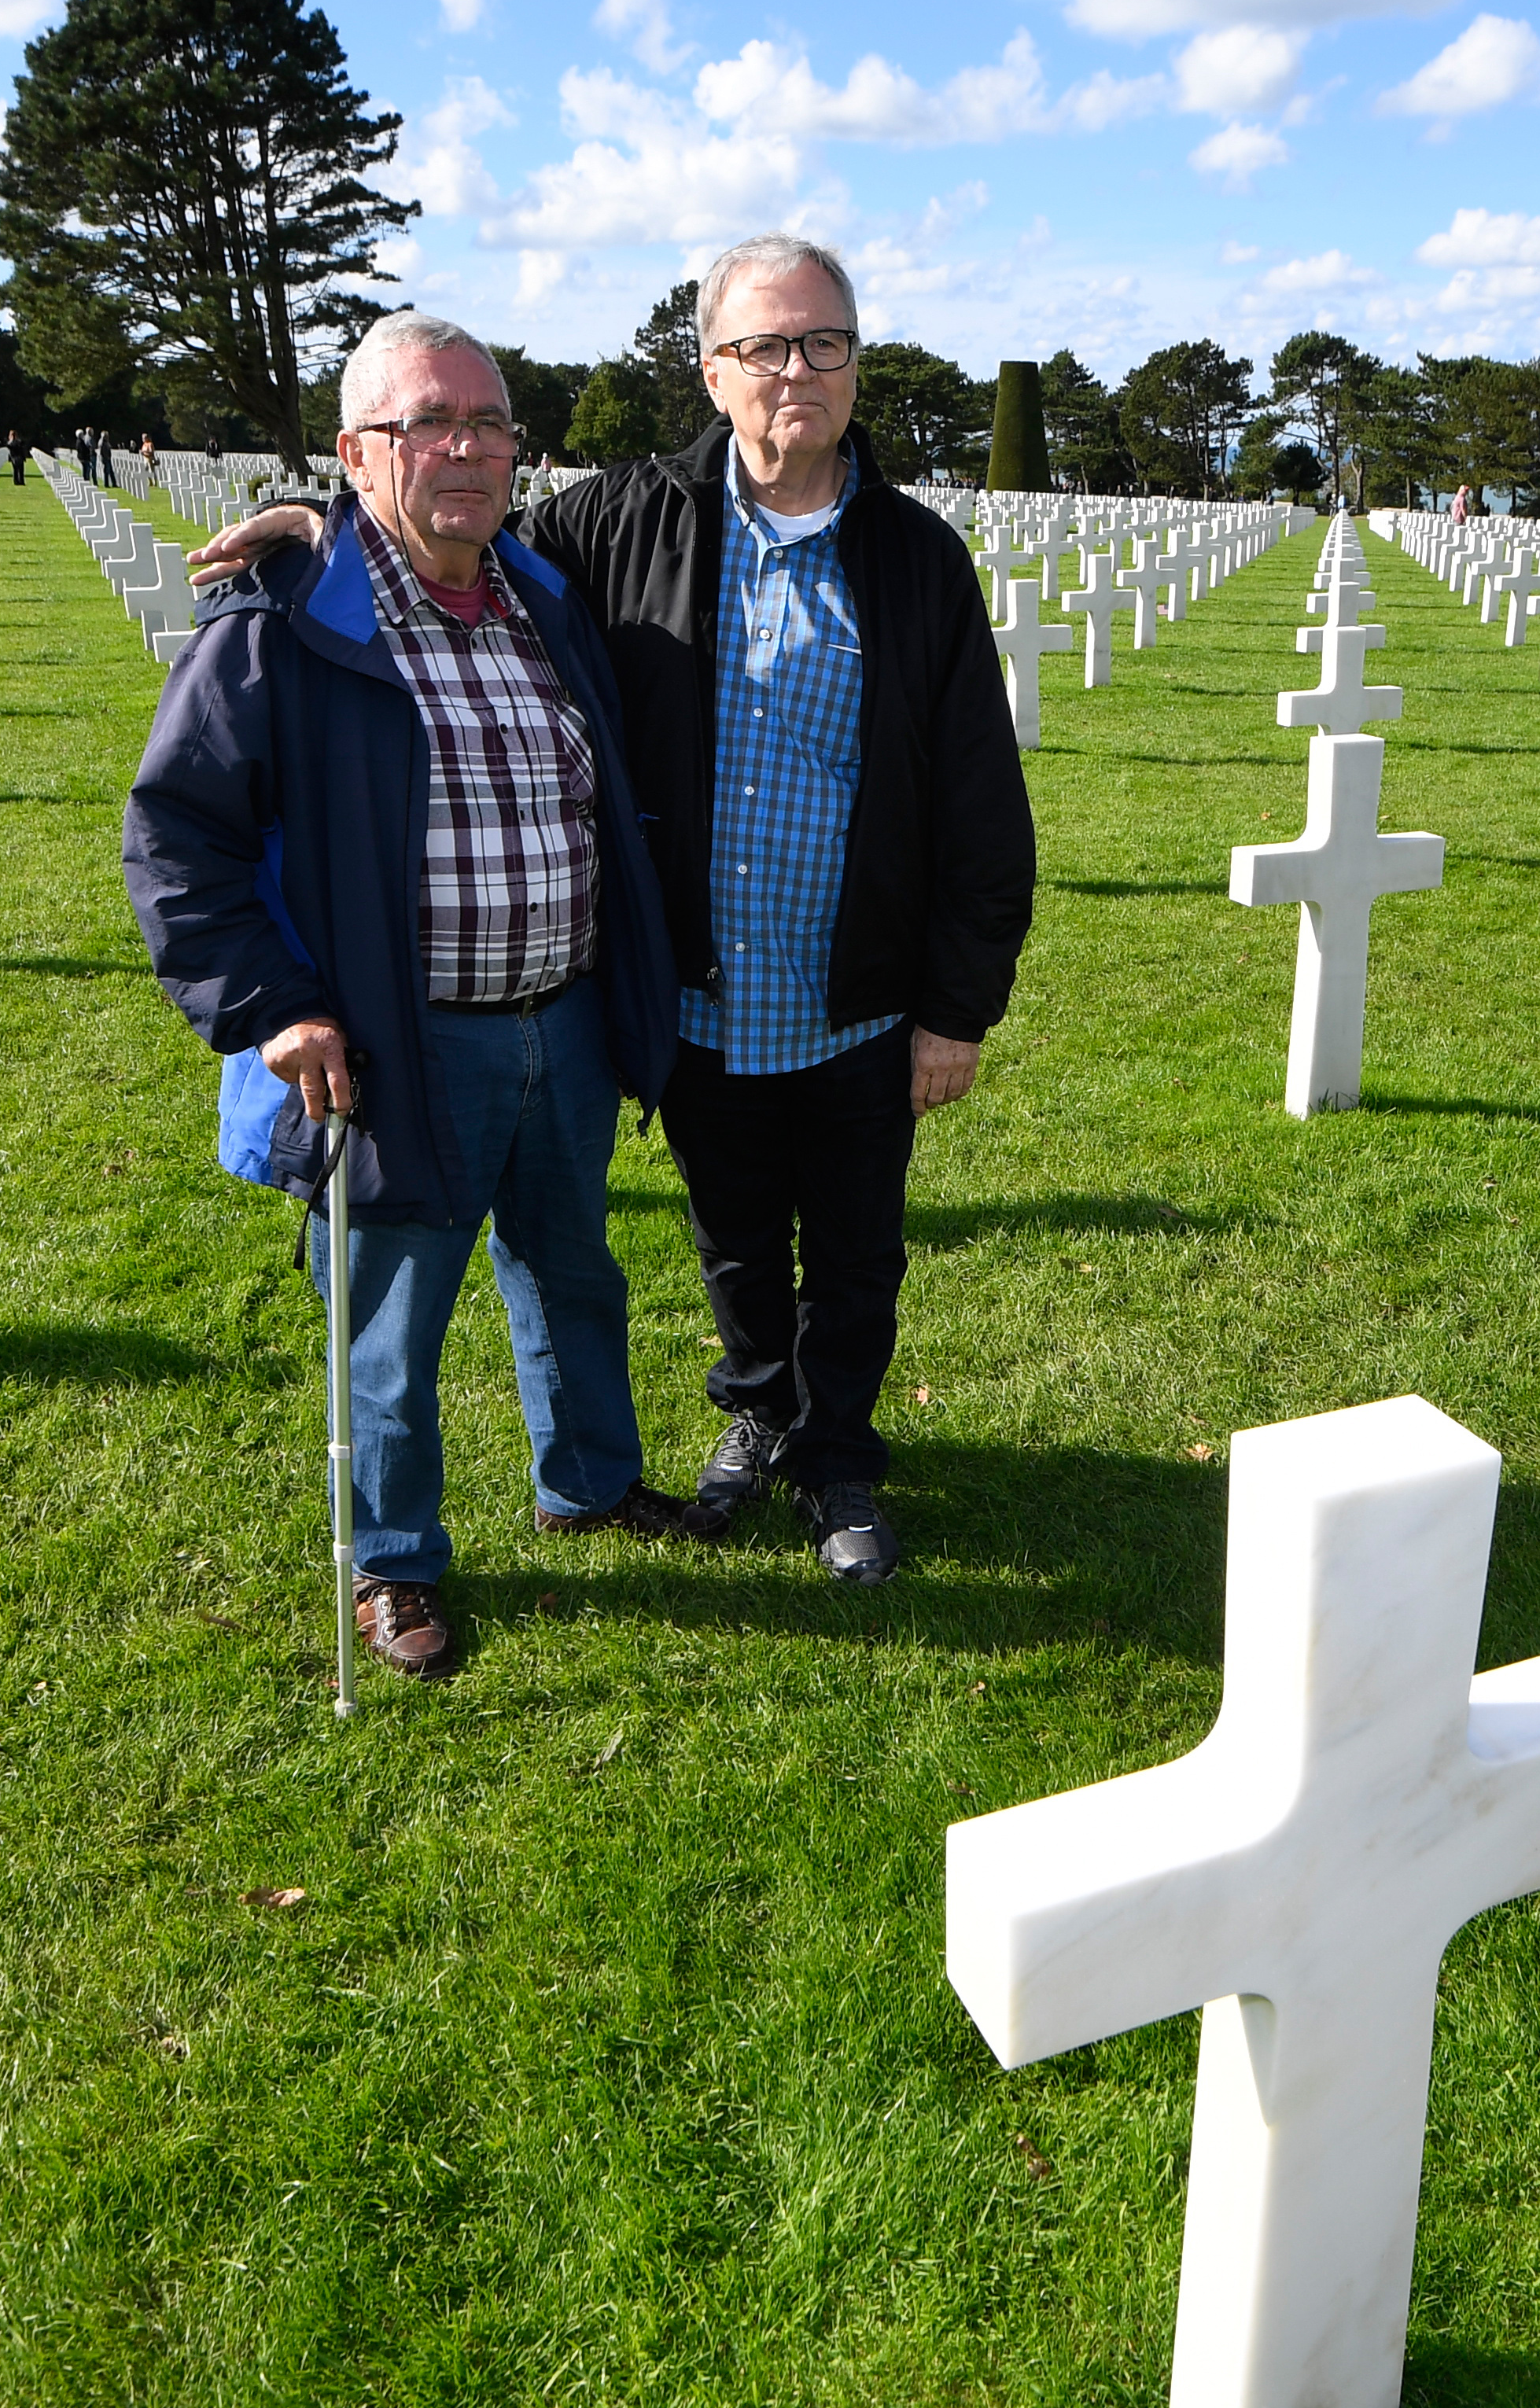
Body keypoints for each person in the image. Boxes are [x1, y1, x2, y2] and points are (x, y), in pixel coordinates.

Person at [191, 234, 1036, 1585]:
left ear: (857, 363)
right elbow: (431, 532)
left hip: (849, 991)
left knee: (845, 1244)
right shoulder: (620, 518)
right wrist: (316, 525)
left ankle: (837, 1461)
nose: (796, 371)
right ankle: (752, 1421)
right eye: (765, 346)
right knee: (732, 1236)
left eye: (825, 342)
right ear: (713, 372)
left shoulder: (918, 558)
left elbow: (983, 802)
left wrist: (956, 1004)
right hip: (688, 987)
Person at [124, 310, 720, 1682]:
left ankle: (590, 1480)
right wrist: (274, 1002)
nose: (464, 449)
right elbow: (176, 834)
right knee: (389, 1319)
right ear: (356, 452)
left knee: (574, 1271)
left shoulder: (543, 594)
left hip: (560, 1018)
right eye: (424, 425)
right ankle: (393, 1561)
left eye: (489, 422)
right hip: (395, 1044)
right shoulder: (287, 619)